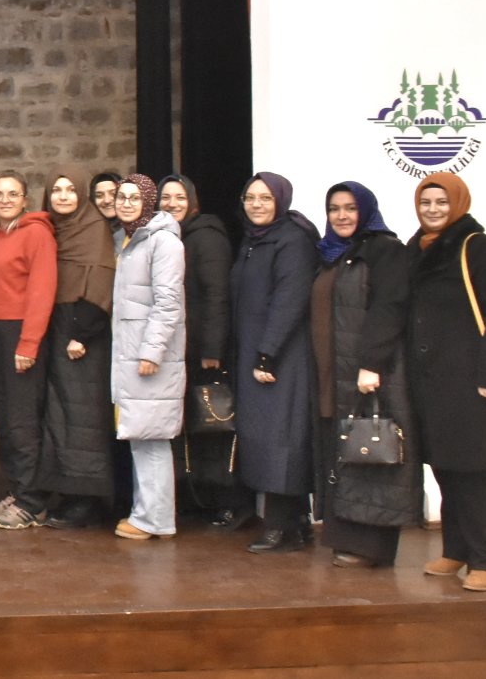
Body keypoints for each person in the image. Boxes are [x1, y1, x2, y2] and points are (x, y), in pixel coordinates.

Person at [404, 173, 486, 592]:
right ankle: (458, 549)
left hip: (472, 380)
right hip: (432, 381)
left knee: (472, 470)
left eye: (440, 202)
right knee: (445, 467)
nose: (432, 209)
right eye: (425, 202)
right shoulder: (417, 250)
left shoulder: (482, 248)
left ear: (458, 203)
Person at [309, 181, 419, 568]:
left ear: (366, 211)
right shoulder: (331, 255)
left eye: (350, 208)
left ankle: (373, 547)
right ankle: (347, 538)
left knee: (374, 454)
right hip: (333, 373)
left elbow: (390, 308)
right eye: (334, 208)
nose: (341, 216)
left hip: (372, 372)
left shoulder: (385, 250)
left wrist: (371, 364)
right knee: (348, 454)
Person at [231, 172, 321, 554]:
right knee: (266, 439)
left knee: (281, 440)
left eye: (265, 198)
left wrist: (267, 353)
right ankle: (296, 524)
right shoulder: (254, 241)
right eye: (250, 197)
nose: (256, 205)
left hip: (280, 359)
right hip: (257, 353)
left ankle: (280, 526)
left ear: (280, 201)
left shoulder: (293, 240)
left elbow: (289, 300)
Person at [158, 174, 250, 529]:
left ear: (192, 201)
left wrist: (212, 349)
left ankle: (230, 502)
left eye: (179, 197)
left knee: (215, 427)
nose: (172, 204)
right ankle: (199, 499)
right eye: (166, 198)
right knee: (191, 430)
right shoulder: (170, 238)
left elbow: (216, 295)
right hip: (180, 349)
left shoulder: (206, 237)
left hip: (203, 351)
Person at [33, 169, 118, 529]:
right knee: (59, 412)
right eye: (57, 190)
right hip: (57, 326)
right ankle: (66, 491)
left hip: (82, 333)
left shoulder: (94, 229)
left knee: (84, 416)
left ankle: (86, 499)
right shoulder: (50, 231)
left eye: (71, 190)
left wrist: (81, 334)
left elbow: (102, 282)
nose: (64, 196)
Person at [0, 173, 57, 530]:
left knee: (23, 420)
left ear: (25, 199)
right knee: (5, 419)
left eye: (13, 194)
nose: (5, 199)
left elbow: (43, 289)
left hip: (20, 333)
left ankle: (32, 502)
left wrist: (28, 343)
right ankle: (16, 489)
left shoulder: (37, 233)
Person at [109, 175, 187, 541]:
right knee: (142, 436)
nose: (125, 203)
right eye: (121, 197)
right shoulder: (127, 239)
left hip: (150, 358)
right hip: (130, 355)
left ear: (149, 201)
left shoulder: (164, 241)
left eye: (133, 197)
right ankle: (146, 513)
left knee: (153, 438)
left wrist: (152, 351)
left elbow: (168, 303)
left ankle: (155, 519)